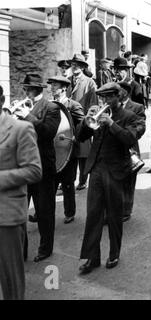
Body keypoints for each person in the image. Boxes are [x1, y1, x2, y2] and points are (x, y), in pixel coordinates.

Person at [77, 83, 140, 275]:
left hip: (116, 170)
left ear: (119, 97)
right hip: (96, 169)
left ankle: (114, 253)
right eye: (102, 98)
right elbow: (80, 137)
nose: (104, 102)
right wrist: (87, 121)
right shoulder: (98, 114)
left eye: (108, 98)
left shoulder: (130, 116)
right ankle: (92, 258)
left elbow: (130, 139)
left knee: (114, 215)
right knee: (93, 215)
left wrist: (111, 124)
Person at [0, 85, 42, 300]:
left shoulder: (20, 128)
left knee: (11, 282)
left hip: (6, 216)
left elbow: (34, 171)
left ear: (1, 101)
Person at [13, 74, 61, 262]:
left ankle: (45, 248)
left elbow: (48, 132)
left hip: (42, 167)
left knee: (44, 211)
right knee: (19, 210)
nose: (25, 93)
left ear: (38, 90)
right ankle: (21, 250)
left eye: (28, 89)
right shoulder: (21, 107)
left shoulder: (52, 108)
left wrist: (27, 115)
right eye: (25, 89)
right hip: (22, 166)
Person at [48, 76, 85, 224]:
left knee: (68, 184)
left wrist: (77, 137)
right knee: (49, 185)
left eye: (55, 86)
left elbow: (84, 124)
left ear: (63, 88)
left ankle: (69, 212)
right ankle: (43, 213)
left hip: (68, 150)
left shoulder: (73, 105)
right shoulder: (49, 105)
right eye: (51, 86)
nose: (52, 89)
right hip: (53, 151)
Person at [117, 82, 146, 222]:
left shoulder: (137, 107)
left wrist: (129, 134)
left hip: (130, 148)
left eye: (119, 91)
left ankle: (126, 211)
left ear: (126, 92)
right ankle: (113, 209)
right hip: (113, 149)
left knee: (128, 182)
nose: (116, 93)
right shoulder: (111, 106)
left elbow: (141, 127)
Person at [68, 53, 98, 191]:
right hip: (68, 122)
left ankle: (83, 180)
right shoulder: (67, 81)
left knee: (83, 152)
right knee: (69, 151)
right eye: (73, 65)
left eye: (77, 65)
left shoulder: (89, 82)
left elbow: (93, 104)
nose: (74, 67)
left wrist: (88, 121)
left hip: (82, 120)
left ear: (82, 67)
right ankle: (68, 180)